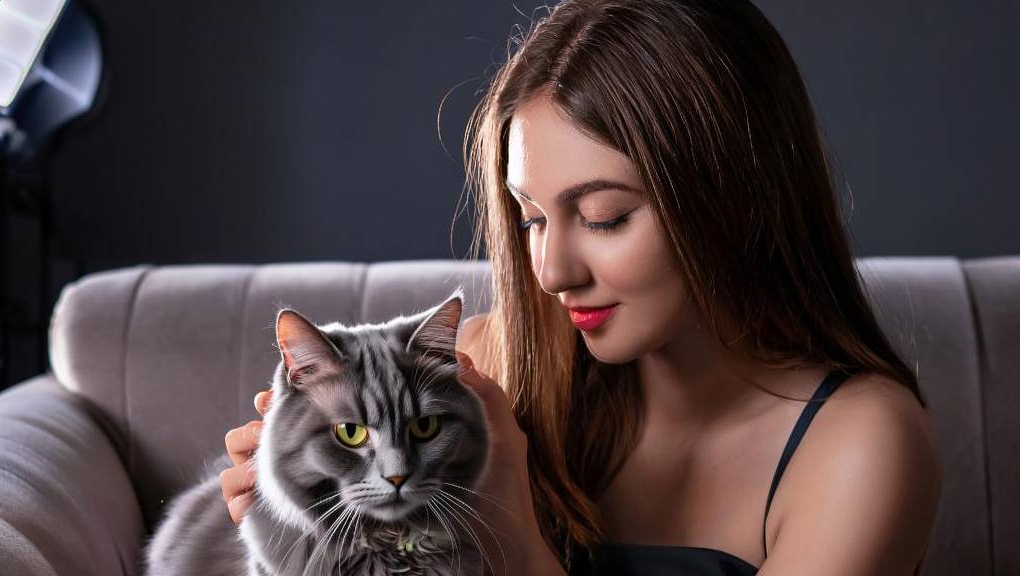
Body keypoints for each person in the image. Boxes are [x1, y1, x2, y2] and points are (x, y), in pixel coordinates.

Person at [221, 0, 941, 574]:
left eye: (604, 217)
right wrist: (294, 521)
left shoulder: (864, 446)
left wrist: (509, 529)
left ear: (737, 197)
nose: (551, 273)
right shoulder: (487, 367)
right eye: (530, 219)